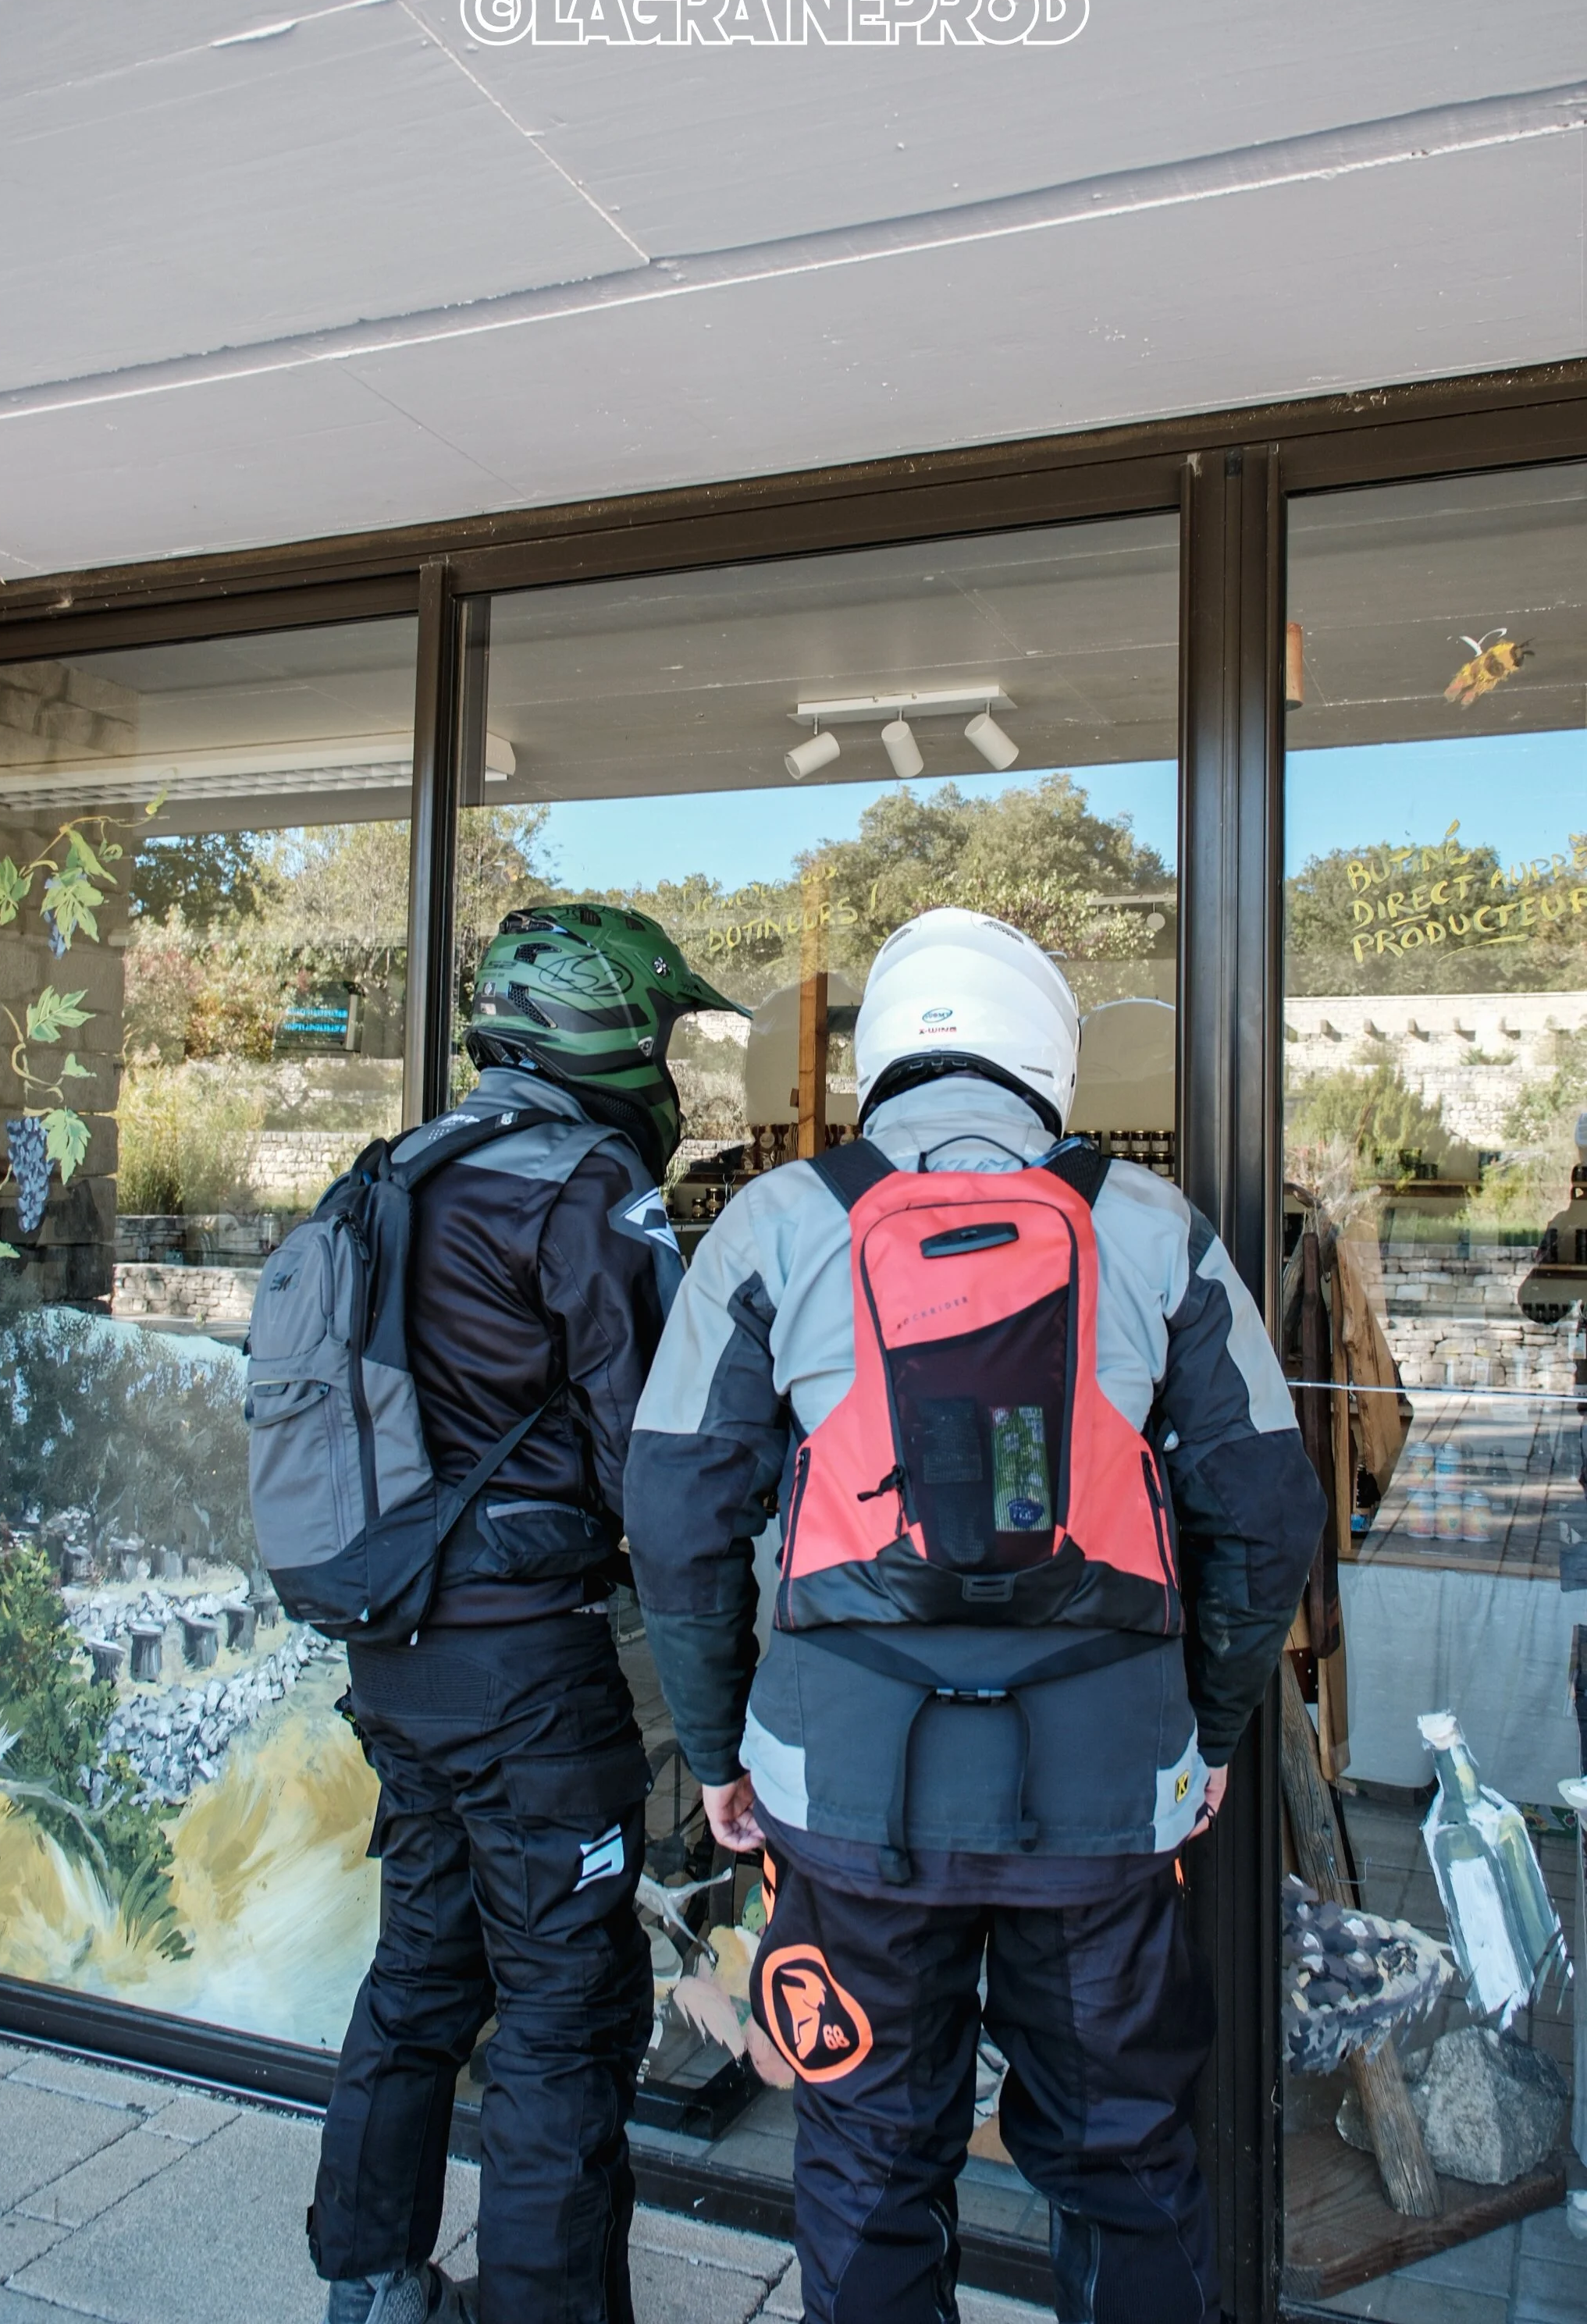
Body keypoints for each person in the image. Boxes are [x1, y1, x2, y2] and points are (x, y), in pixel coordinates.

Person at [624, 908, 1326, 2324]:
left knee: (871, 2160)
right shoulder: (1151, 1227)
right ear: (1043, 1056)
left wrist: (715, 1751)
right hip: (1105, 1788)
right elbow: (1269, 1506)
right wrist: (1212, 1730)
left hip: (846, 1789)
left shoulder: (775, 1221)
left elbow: (676, 1510)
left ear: (885, 1052)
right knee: (1125, 2161)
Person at [308, 902, 742, 2324]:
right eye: (667, 1027)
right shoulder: (582, 1185)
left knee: (422, 1970)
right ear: (610, 1028)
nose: (671, 1058)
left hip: (396, 1656)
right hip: (528, 1677)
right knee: (565, 2015)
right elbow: (662, 1463)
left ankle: (369, 2283)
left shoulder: (402, 1168)